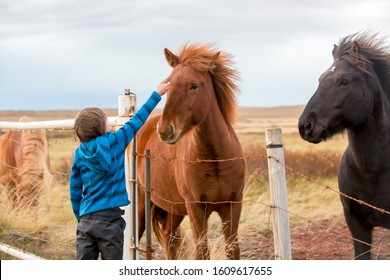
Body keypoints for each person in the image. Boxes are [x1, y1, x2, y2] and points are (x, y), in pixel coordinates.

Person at [70, 79, 170, 260]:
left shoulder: (79, 154)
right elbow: (138, 120)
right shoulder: (116, 141)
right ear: (102, 128)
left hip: (86, 219)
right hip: (110, 221)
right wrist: (157, 94)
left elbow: (74, 190)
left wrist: (81, 215)